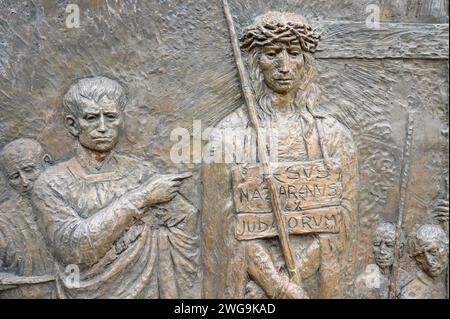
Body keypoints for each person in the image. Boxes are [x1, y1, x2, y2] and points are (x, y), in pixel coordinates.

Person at [202, 12, 359, 299]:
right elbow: (225, 222)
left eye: (294, 54)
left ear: (307, 62)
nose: (284, 66)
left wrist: (296, 272)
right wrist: (276, 285)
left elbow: (340, 220)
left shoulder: (334, 136)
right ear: (255, 63)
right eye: (272, 54)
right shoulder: (228, 134)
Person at [32, 76, 200, 298]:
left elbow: (186, 220)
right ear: (73, 124)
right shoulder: (51, 184)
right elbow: (74, 250)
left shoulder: (141, 172)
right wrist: (142, 199)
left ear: (121, 120)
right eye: (91, 118)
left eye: (110, 117)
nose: (102, 127)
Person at [0, 138, 55, 298]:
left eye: (29, 170)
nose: (24, 182)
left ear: (47, 163)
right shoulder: (3, 219)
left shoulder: (77, 202)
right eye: (15, 176)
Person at [355, 221, 408, 299]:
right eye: (377, 244)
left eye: (389, 245)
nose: (382, 251)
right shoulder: (363, 283)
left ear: (400, 248)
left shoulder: (407, 281)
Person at [398, 224, 448, 299]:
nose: (429, 261)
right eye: (421, 256)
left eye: (433, 252)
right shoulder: (412, 294)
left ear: (446, 249)